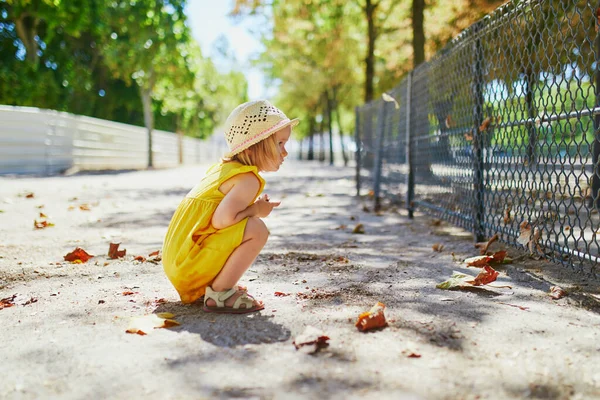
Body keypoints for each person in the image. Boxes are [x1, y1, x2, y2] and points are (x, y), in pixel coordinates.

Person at [162, 100, 298, 314]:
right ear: (257, 145)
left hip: (180, 260)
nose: (285, 152)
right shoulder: (247, 179)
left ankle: (216, 283)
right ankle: (220, 293)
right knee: (256, 229)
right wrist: (256, 210)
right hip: (187, 265)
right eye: (280, 144)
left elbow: (215, 223)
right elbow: (222, 221)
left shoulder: (225, 170)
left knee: (245, 226)